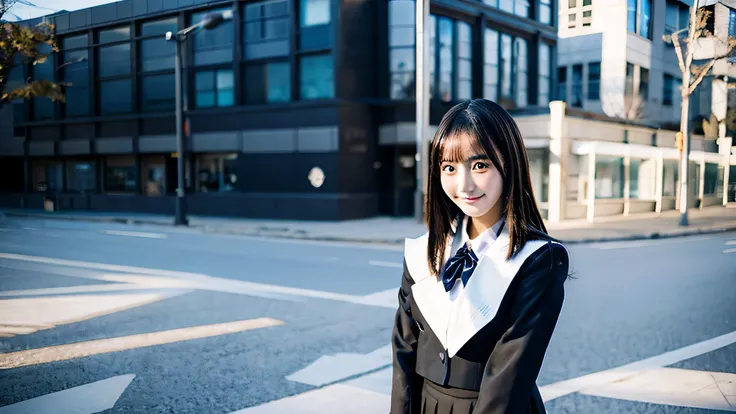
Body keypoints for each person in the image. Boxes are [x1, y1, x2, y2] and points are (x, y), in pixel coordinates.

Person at [391, 99, 571, 414]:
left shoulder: (539, 260)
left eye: (480, 165)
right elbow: (404, 352)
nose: (464, 185)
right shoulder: (423, 251)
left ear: (509, 164)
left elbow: (508, 377)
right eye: (449, 167)